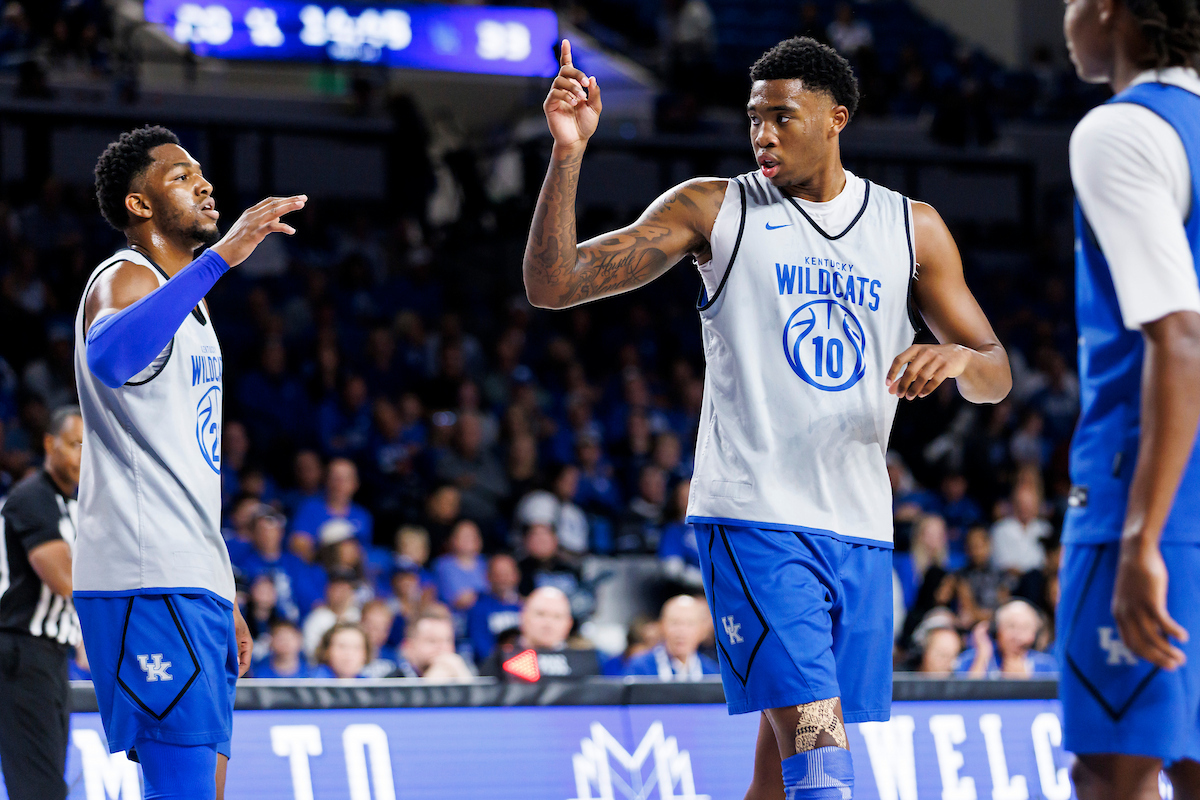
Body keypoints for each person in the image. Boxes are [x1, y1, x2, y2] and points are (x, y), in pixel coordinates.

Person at [523, 36, 1011, 798]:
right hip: (755, 519)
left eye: (783, 117)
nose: (763, 135)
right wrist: (567, 155)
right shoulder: (715, 208)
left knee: (779, 777)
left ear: (836, 118)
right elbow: (554, 285)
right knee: (820, 758)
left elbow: (995, 373)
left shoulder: (910, 227)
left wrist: (955, 360)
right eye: (754, 119)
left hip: (859, 525)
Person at [73, 125, 304, 800]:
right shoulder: (122, 276)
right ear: (139, 204)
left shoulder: (189, 302)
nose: (203, 184)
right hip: (145, 576)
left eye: (201, 172)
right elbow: (109, 357)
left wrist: (220, 587)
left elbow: (186, 465)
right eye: (180, 176)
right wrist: (224, 256)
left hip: (190, 576)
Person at [1059, 3, 1200, 797]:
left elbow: (1179, 338)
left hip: (1150, 493)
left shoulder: (1121, 129)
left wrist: (1143, 534)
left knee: (1114, 771)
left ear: (1110, 8)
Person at [0, 406, 82, 800]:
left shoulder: (75, 505)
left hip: (50, 654)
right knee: (39, 787)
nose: (84, 456)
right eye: (75, 444)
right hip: (21, 652)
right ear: (50, 444)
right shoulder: (32, 496)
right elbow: (63, 579)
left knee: (47, 779)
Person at [483, 587, 602, 680]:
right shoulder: (499, 660)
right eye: (540, 614)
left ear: (569, 624)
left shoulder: (584, 663)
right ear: (523, 617)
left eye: (557, 616)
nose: (548, 623)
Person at [624, 595, 719, 681]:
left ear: (702, 630)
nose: (681, 631)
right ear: (662, 626)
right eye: (675, 623)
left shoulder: (712, 673)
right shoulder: (640, 668)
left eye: (690, 624)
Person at [956, 599, 1056, 678]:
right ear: (998, 631)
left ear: (1034, 634)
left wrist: (1025, 680)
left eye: (1025, 628)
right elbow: (964, 695)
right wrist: (982, 656)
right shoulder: (971, 659)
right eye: (1011, 626)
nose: (1017, 636)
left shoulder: (1047, 665)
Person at [466, 554, 523, 665]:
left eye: (507, 574)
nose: (503, 579)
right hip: (493, 667)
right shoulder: (478, 609)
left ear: (516, 575)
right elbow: (482, 649)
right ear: (488, 576)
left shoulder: (526, 607)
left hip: (526, 665)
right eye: (498, 574)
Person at [392, 608, 473, 679]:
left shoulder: (459, 671)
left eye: (448, 640)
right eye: (432, 641)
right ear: (409, 647)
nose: (442, 647)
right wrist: (432, 681)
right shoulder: (393, 681)